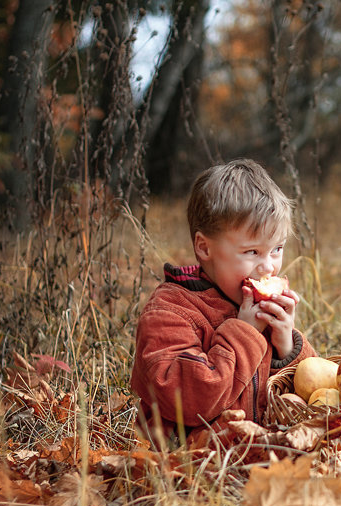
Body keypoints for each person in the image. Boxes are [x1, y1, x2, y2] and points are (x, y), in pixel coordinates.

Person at [131, 158, 314, 444]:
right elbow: (191, 403)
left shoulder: (253, 305)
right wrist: (246, 333)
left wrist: (285, 346)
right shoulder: (170, 313)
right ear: (204, 248)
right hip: (189, 468)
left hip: (254, 458)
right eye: (252, 252)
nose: (268, 267)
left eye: (277, 249)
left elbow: (310, 394)